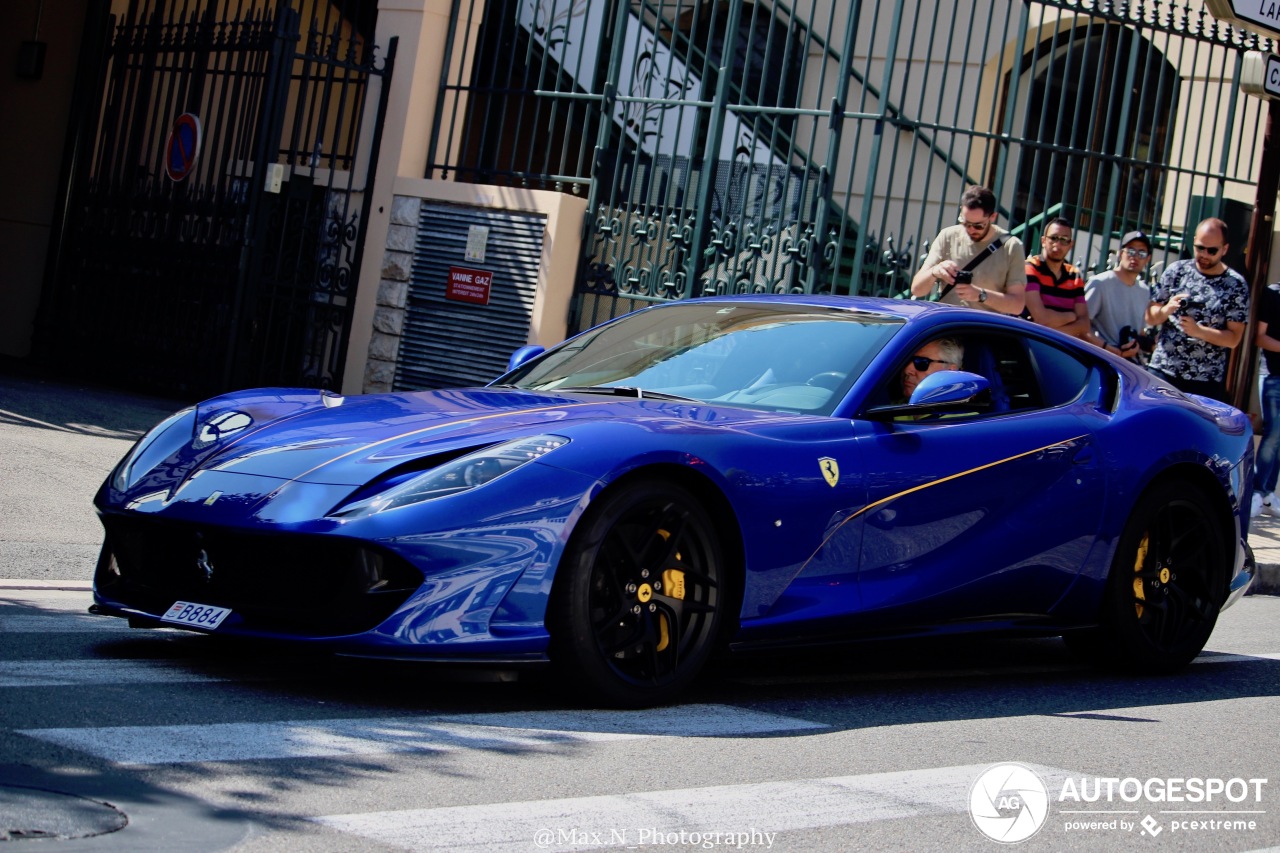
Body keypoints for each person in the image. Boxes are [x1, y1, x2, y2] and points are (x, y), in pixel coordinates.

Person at [1144, 218, 1249, 403]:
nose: (1204, 255)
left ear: (1225, 249)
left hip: (1204, 380)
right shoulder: (1176, 271)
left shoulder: (1235, 285)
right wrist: (1167, 309)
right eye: (1200, 248)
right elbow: (1150, 318)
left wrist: (1199, 331)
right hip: (1164, 370)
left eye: (1212, 250)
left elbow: (1233, 339)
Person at [911, 185, 1026, 315]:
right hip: (948, 325)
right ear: (961, 211)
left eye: (978, 226)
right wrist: (934, 272)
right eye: (965, 223)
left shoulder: (1011, 246)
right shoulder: (948, 236)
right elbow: (916, 290)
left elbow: (1017, 306)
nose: (971, 229)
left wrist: (980, 295)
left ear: (992, 217)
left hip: (987, 329)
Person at [1085, 230, 1154, 361]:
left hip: (1131, 363)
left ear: (1148, 258)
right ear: (1121, 253)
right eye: (1131, 251)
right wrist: (1109, 349)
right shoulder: (1100, 283)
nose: (1135, 257)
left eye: (1142, 253)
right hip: (1101, 358)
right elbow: (1081, 327)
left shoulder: (1144, 291)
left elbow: (1140, 332)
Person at [1024, 217, 1091, 341]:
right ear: (1043, 241)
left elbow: (1084, 325)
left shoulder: (1074, 274)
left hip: (1059, 346)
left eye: (1064, 240)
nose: (1058, 245)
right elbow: (1041, 318)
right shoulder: (1030, 268)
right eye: (1053, 238)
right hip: (1031, 343)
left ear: (1071, 244)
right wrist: (1071, 316)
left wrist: (1052, 334)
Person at [1253, 280, 1280, 516]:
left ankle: (1268, 493)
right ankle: (1256, 491)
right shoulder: (1273, 293)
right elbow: (1260, 337)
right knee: (1273, 433)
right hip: (1273, 376)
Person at [898, 337, 964, 403]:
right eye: (906, 360)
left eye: (922, 362)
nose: (907, 370)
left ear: (950, 371)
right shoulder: (894, 406)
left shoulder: (960, 410)